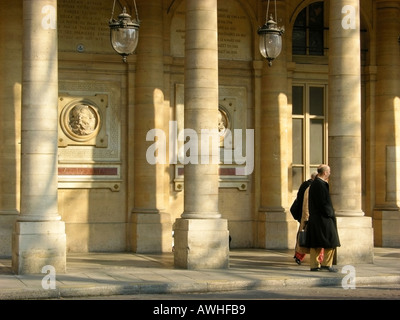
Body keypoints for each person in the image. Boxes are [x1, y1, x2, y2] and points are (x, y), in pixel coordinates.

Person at [305, 164, 341, 272]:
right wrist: (330, 213)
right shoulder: (320, 184)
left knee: (316, 243)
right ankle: (326, 264)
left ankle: (315, 265)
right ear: (325, 172)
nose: (330, 173)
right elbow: (323, 203)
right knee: (331, 241)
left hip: (317, 218)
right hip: (323, 218)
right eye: (329, 171)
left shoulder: (315, 184)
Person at [293, 172, 324, 265]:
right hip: (310, 217)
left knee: (304, 238)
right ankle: (318, 259)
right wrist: (306, 218)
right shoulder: (311, 188)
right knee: (309, 239)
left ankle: (299, 256)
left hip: (308, 216)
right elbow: (306, 204)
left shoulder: (306, 185)